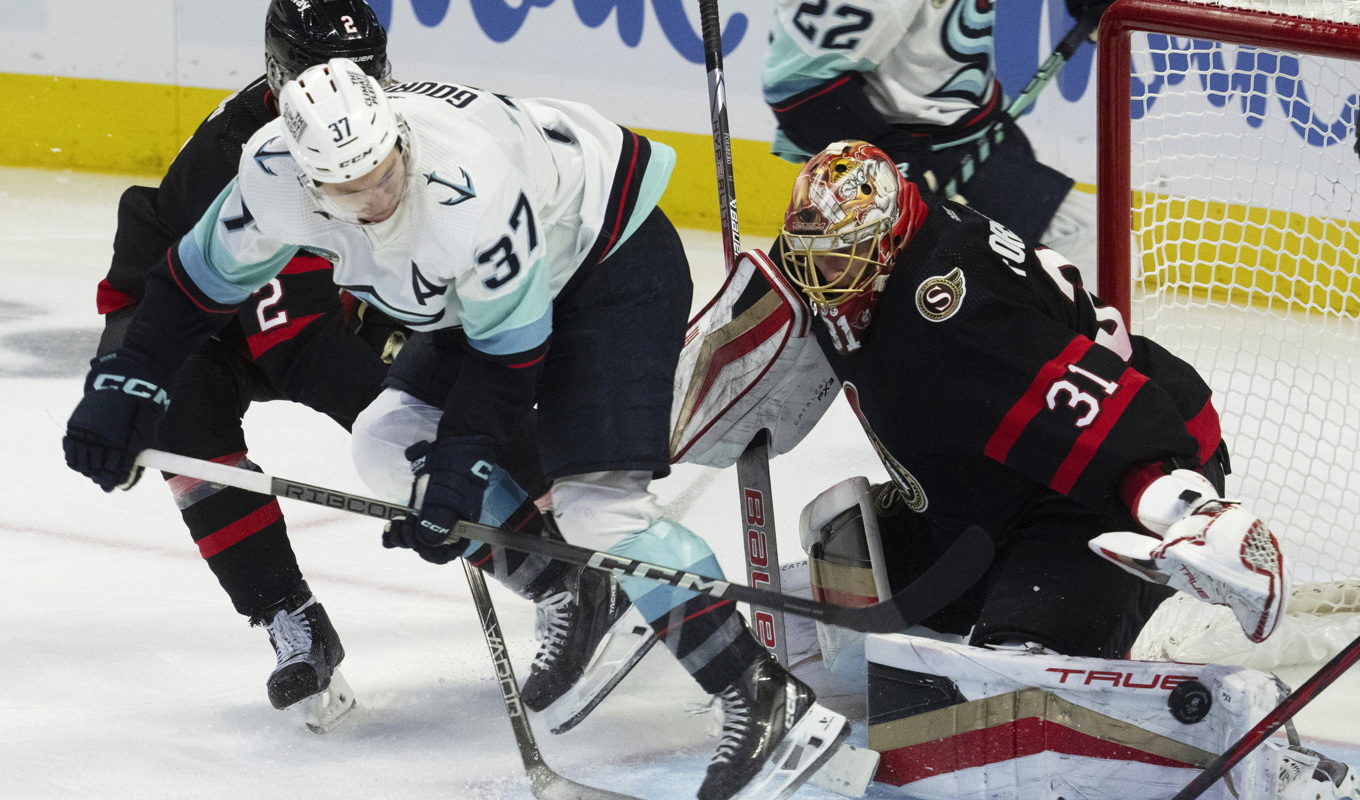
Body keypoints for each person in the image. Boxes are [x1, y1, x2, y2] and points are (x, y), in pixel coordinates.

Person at [62, 57, 849, 800]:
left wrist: (459, 476)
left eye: (383, 175)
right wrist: (123, 383)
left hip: (607, 256)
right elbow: (190, 285)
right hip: (472, 288)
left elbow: (512, 358)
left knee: (599, 507)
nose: (373, 199)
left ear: (398, 137)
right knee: (381, 440)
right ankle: (570, 588)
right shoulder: (273, 171)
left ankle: (763, 696)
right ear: (306, 176)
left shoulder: (465, 189)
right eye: (347, 189)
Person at [766, 140, 1357, 799]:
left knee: (1015, 678)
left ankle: (1251, 741)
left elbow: (1109, 422)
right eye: (817, 256)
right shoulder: (890, 258)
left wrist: (1189, 509)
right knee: (841, 541)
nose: (827, 274)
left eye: (844, 254)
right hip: (995, 482)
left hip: (1100, 484)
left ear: (892, 237)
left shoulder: (952, 314)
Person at [83, 0, 405, 730]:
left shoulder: (402, 123)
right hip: (183, 312)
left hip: (309, 295)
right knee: (179, 404)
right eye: (329, 73)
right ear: (279, 71)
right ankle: (288, 616)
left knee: (430, 385)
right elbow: (300, 350)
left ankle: (542, 557)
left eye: (368, 72)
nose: (353, 93)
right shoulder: (247, 157)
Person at [761, 0, 1111, 284]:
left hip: (978, 133)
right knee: (1095, 240)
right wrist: (891, 159)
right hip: (925, 161)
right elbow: (797, 86)